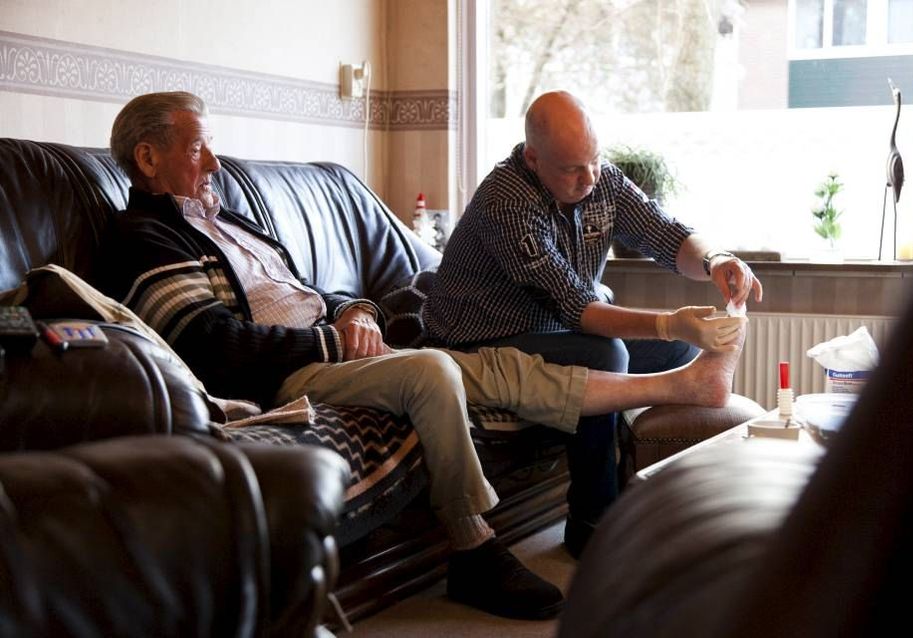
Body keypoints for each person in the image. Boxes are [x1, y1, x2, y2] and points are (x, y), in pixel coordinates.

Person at [99, 91, 747, 621]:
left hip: (350, 342)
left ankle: (678, 405)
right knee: (466, 365)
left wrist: (356, 311)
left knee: (580, 360)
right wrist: (332, 337)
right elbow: (209, 342)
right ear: (148, 158)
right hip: (306, 365)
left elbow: (311, 292)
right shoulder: (146, 239)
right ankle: (475, 546)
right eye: (196, 146)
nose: (214, 162)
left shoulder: (231, 222)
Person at [423, 90, 763, 557]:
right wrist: (672, 322)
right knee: (606, 353)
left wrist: (716, 259)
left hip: (553, 327)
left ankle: (641, 498)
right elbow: (577, 307)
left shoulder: (599, 179)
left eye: (595, 161)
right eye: (572, 169)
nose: (590, 178)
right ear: (533, 158)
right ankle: (592, 520)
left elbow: (666, 234)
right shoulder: (507, 201)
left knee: (676, 354)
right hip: (480, 337)